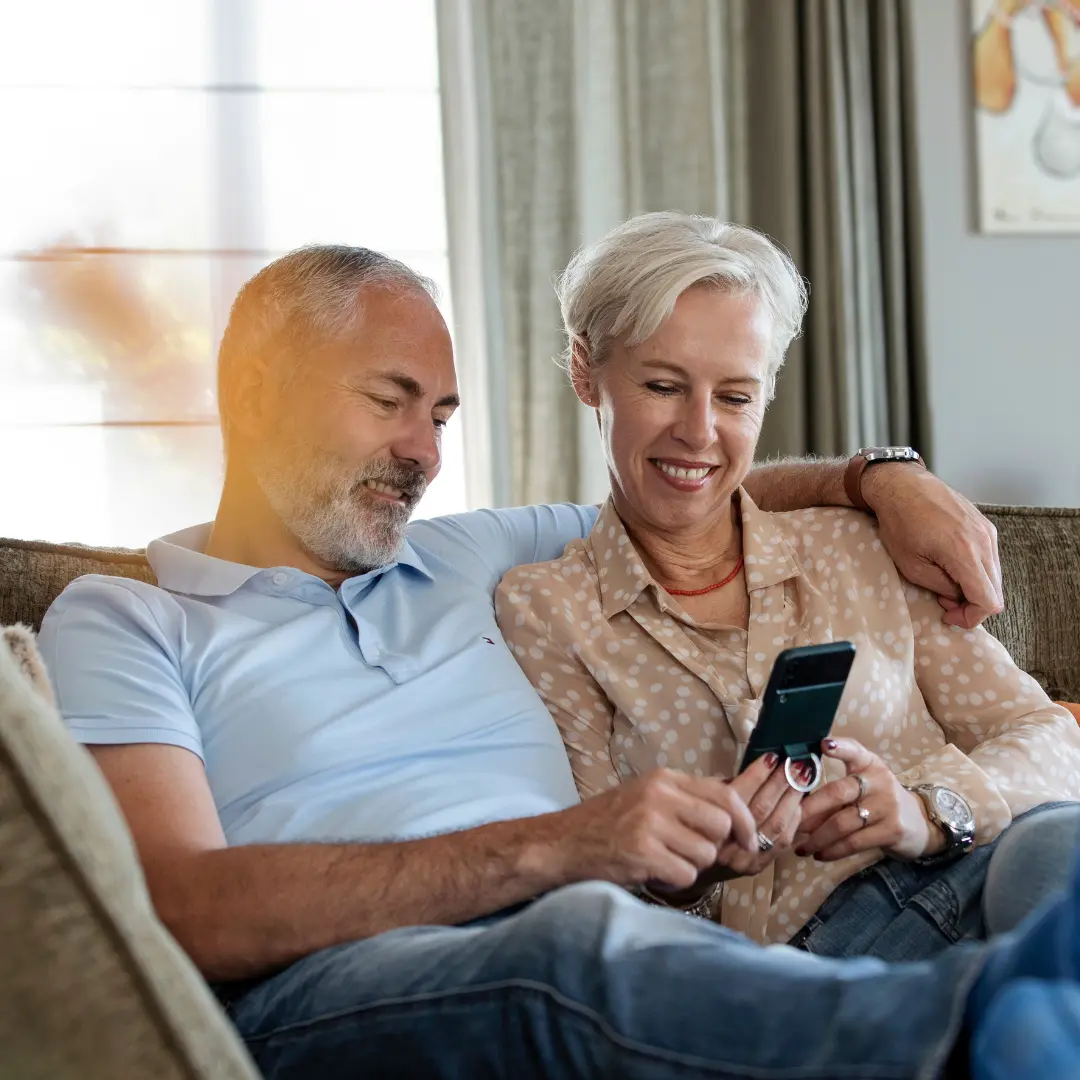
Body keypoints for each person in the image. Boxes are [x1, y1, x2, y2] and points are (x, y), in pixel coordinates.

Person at [36, 244, 1068, 1079]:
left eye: (441, 416)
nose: (425, 452)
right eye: (390, 400)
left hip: (622, 947)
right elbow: (180, 907)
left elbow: (688, 481)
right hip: (340, 985)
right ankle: (980, 1036)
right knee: (575, 946)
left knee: (1050, 850)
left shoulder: (462, 554)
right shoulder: (127, 620)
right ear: (256, 390)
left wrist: (882, 477)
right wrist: (556, 848)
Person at [495, 212, 1080, 958]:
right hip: (816, 959)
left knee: (1056, 850)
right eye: (663, 386)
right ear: (586, 371)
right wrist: (694, 871)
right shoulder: (548, 609)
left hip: (988, 879)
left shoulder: (858, 543)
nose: (699, 431)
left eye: (735, 398)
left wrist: (929, 810)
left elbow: (1046, 736)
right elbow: (597, 877)